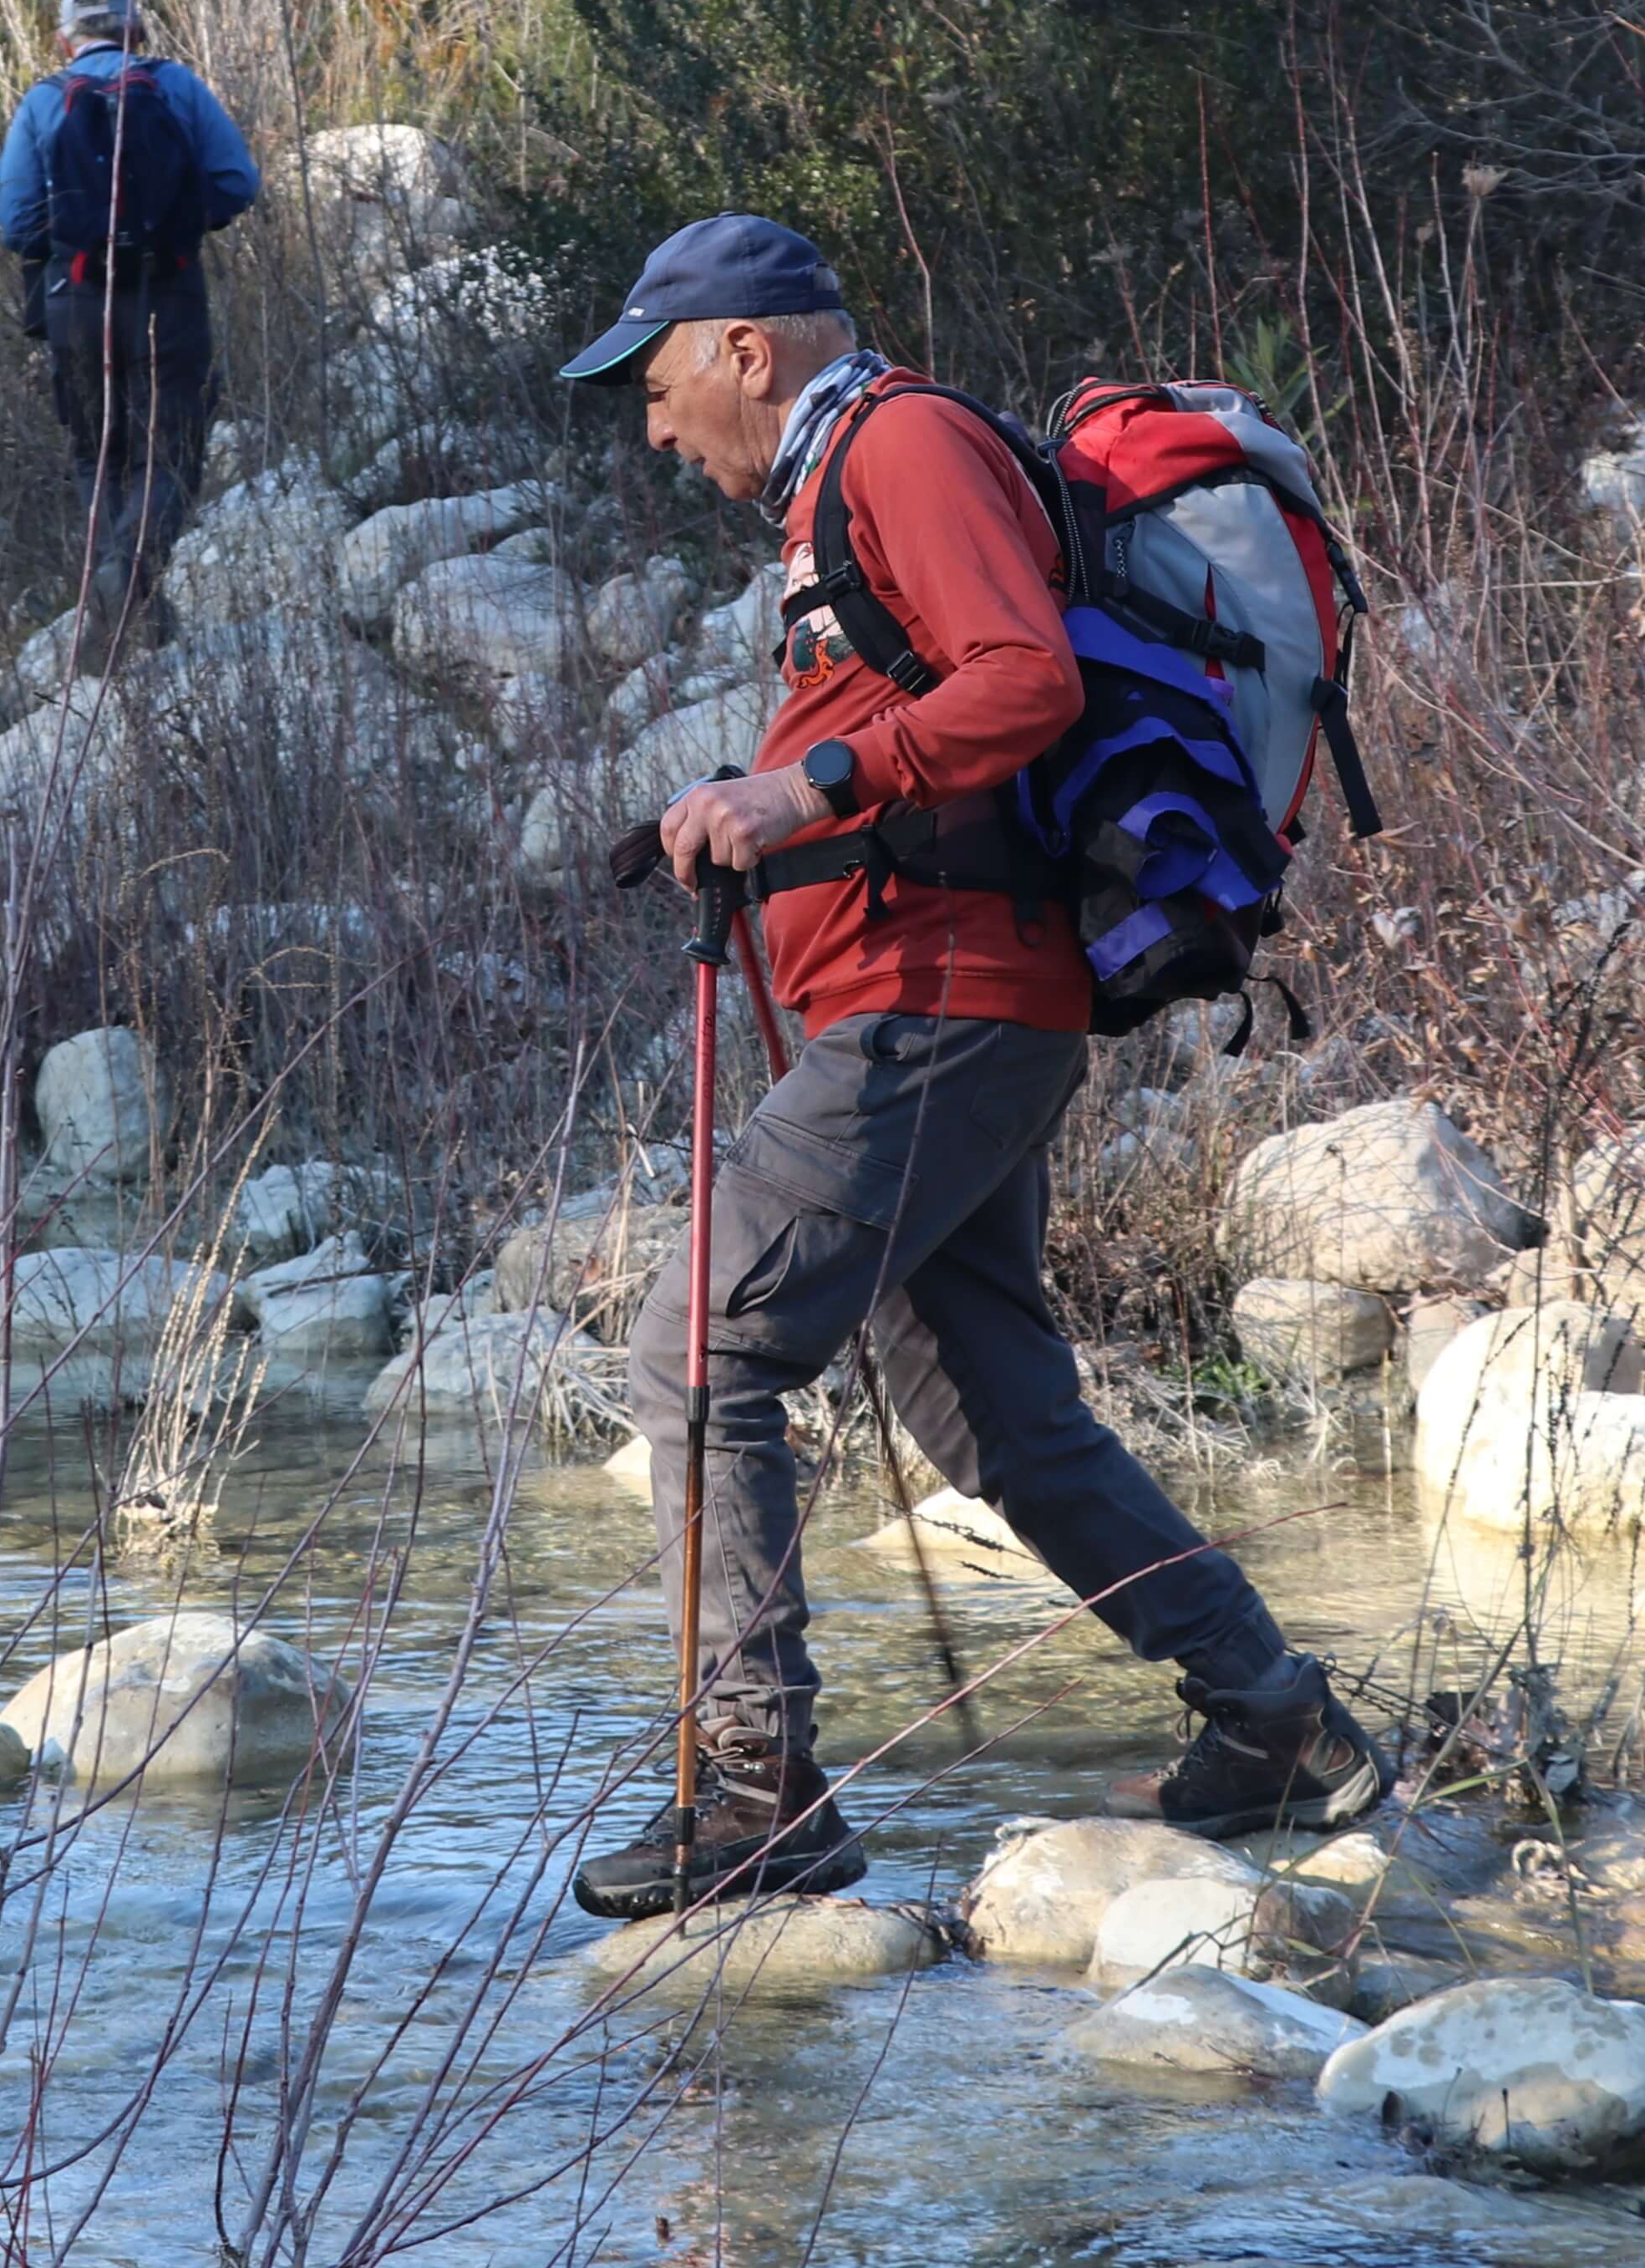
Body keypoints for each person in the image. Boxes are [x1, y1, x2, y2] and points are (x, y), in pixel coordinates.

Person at [557, 211, 1385, 1919]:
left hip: (933, 1004)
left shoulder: (900, 441)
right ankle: (1276, 1720)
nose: (651, 427)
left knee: (700, 1346)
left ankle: (753, 1789)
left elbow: (1022, 676)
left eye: (654, 386)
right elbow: (934, 715)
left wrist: (802, 786)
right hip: (950, 1000)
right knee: (994, 1409)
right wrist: (766, 804)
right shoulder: (840, 482)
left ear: (743, 347)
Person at [0, 0, 261, 636]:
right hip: (167, 292)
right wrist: (172, 224)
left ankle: (117, 601)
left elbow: (15, 222)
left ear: (64, 41)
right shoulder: (174, 85)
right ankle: (130, 576)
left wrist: (76, 242)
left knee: (97, 451)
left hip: (77, 299)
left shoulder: (43, 102)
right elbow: (238, 184)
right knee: (170, 448)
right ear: (136, 30)